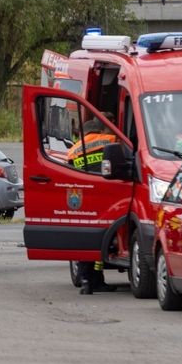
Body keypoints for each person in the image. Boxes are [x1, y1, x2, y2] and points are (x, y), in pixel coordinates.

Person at [68, 114, 119, 294]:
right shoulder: (110, 140)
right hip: (105, 197)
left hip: (82, 199)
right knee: (102, 241)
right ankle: (96, 279)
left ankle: (86, 279)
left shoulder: (74, 149)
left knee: (85, 241)